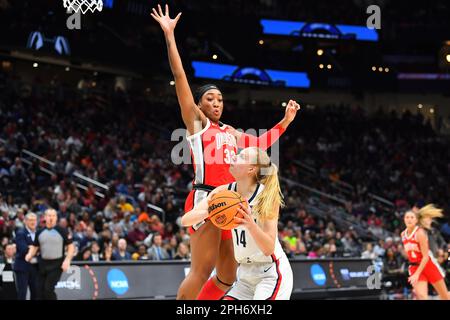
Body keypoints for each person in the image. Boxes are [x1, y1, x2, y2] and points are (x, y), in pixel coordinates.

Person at [151, 4, 300, 300]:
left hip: (232, 199)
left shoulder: (231, 132)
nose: (217, 103)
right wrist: (169, 36)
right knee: (201, 270)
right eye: (210, 98)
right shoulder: (197, 125)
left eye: (220, 98)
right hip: (207, 197)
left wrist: (284, 122)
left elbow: (259, 146)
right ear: (200, 103)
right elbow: (180, 78)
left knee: (228, 275)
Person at [182, 147, 293, 299]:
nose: (234, 156)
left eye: (242, 156)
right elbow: (186, 220)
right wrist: (210, 212)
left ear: (251, 169)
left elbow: (268, 248)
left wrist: (250, 224)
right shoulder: (223, 192)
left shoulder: (265, 197)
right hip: (245, 276)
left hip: (270, 274)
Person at [25, 209, 75, 300]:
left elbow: (71, 247)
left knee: (48, 290)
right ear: (45, 217)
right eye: (49, 215)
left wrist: (67, 260)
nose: (51, 217)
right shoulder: (39, 232)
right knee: (39, 291)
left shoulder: (62, 231)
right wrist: (29, 254)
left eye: (53, 215)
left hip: (57, 265)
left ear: (56, 218)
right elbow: (35, 246)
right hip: (42, 265)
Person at [401, 205, 449, 300]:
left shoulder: (420, 233)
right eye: (407, 217)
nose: (409, 219)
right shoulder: (403, 234)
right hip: (415, 267)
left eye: (412, 217)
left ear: (416, 221)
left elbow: (426, 257)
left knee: (445, 297)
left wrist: (417, 274)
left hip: (428, 265)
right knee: (422, 296)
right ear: (403, 219)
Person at [13, 212, 39, 300]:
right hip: (22, 267)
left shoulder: (39, 233)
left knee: (36, 292)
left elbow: (44, 248)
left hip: (35, 267)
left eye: (34, 220)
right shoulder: (20, 233)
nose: (33, 222)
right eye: (30, 220)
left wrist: (32, 247)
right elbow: (24, 249)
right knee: (22, 293)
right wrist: (37, 248)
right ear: (25, 221)